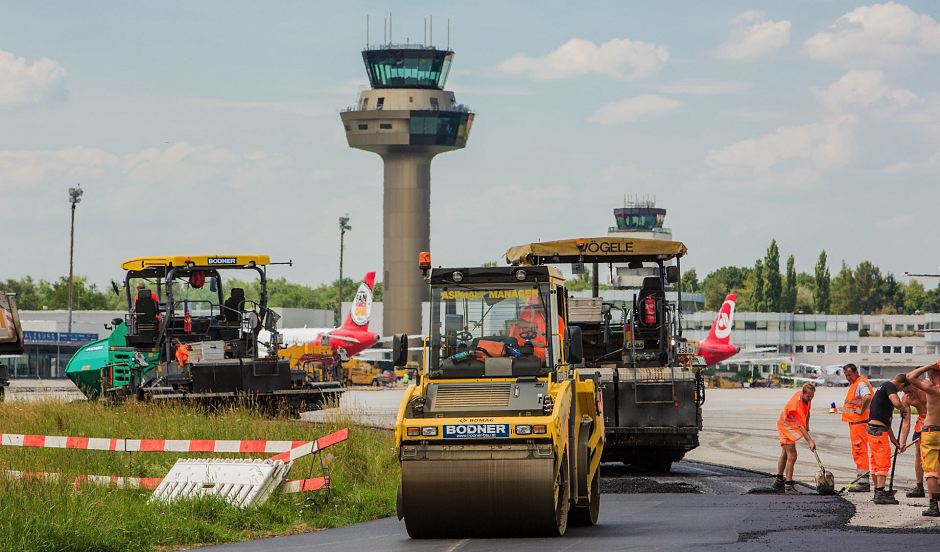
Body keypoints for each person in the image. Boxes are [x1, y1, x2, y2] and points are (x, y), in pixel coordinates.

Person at [867, 374, 911, 505]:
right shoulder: (890, 386)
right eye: (902, 390)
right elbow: (896, 402)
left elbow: (884, 419)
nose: (900, 392)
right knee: (883, 462)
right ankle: (880, 493)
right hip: (878, 431)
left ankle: (877, 491)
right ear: (901, 385)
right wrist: (903, 409)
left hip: (874, 429)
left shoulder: (883, 388)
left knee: (875, 462)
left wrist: (892, 438)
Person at [905, 361, 940, 517]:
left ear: (933, 374)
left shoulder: (931, 389)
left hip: (931, 432)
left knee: (931, 470)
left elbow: (910, 376)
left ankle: (934, 506)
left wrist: (929, 366)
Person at [773, 383, 816, 494]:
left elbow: (808, 411)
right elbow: (800, 427)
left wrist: (807, 424)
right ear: (803, 393)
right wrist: (810, 441)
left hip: (790, 426)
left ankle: (778, 480)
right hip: (786, 427)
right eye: (808, 396)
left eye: (812, 396)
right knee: (792, 455)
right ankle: (788, 485)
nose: (810, 398)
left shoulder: (806, 398)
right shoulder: (795, 407)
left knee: (785, 453)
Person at [841, 364, 874, 492]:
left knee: (860, 451)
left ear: (856, 372)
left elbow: (868, 397)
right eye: (846, 376)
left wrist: (861, 411)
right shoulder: (856, 384)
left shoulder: (860, 384)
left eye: (850, 375)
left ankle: (863, 483)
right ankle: (862, 479)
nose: (848, 378)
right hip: (856, 424)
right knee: (858, 451)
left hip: (860, 423)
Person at [903, 386, 928, 498]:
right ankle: (919, 487)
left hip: (934, 424)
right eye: (905, 392)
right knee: (918, 454)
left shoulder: (928, 391)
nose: (908, 394)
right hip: (921, 424)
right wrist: (902, 442)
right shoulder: (906, 398)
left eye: (909, 390)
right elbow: (906, 422)